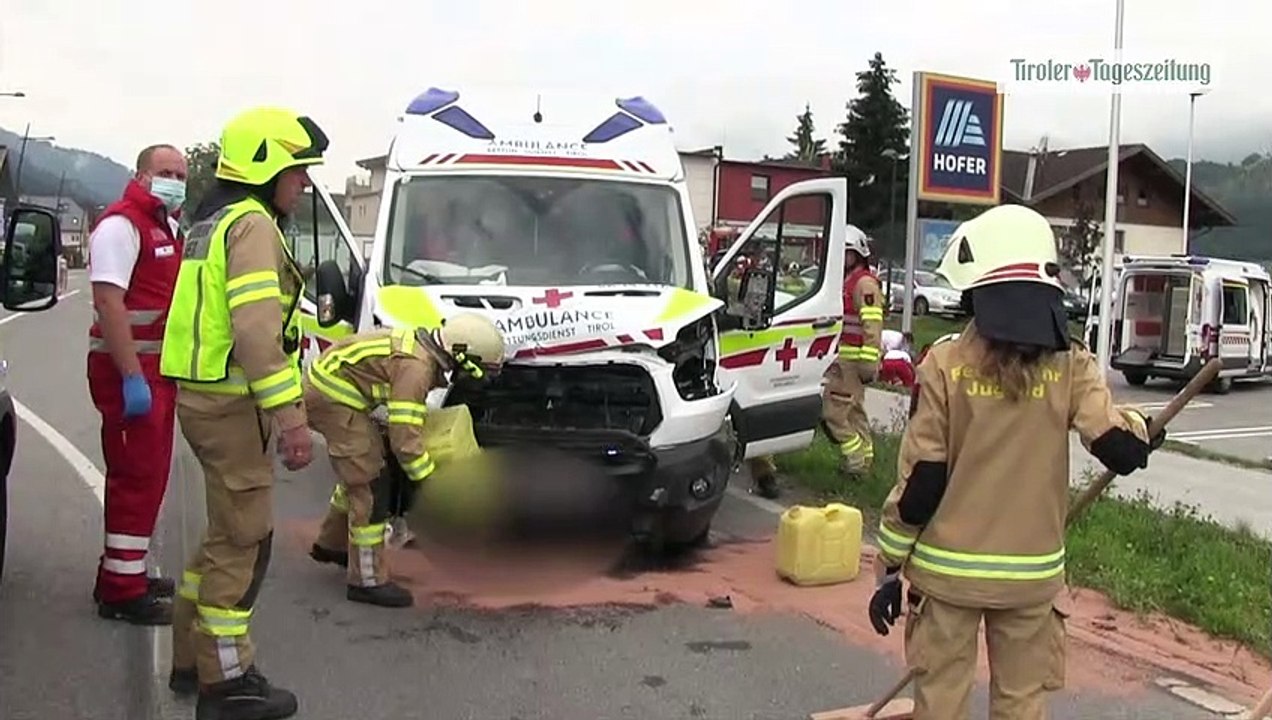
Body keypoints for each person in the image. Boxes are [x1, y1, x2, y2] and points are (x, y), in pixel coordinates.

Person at [866, 204, 1165, 720]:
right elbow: (1115, 440)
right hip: (1032, 582)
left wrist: (889, 567)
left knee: (939, 704)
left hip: (947, 581)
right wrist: (1142, 433)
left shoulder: (944, 365)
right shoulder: (1072, 364)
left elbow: (922, 484)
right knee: (1022, 708)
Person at [159, 106, 329, 720]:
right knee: (245, 539)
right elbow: (257, 333)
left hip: (203, 400)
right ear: (267, 165)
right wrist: (292, 420)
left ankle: (188, 658)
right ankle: (226, 683)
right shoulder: (253, 224)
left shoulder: (213, 220)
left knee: (221, 534)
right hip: (234, 409)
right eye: (298, 170)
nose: (303, 184)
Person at [305, 315, 508, 607]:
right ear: (461, 355)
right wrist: (429, 482)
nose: (478, 379)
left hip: (337, 392)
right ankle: (366, 580)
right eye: (480, 371)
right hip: (332, 401)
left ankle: (332, 544)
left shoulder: (421, 355)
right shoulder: (417, 368)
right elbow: (405, 442)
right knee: (373, 482)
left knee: (361, 470)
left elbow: (404, 428)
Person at [87, 144, 188, 625]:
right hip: (131, 372)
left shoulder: (165, 225)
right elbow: (110, 304)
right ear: (141, 175)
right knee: (134, 477)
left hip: (156, 372)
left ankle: (125, 569)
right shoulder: (121, 226)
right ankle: (121, 593)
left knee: (150, 477)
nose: (174, 180)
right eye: (164, 172)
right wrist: (131, 378)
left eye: (181, 173)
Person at [821, 226, 883, 477]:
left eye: (847, 253)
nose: (842, 257)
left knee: (832, 413)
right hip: (846, 358)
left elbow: (872, 324)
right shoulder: (847, 281)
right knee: (854, 413)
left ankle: (855, 462)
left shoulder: (864, 284)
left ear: (858, 254)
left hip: (852, 361)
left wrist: (869, 362)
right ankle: (865, 463)